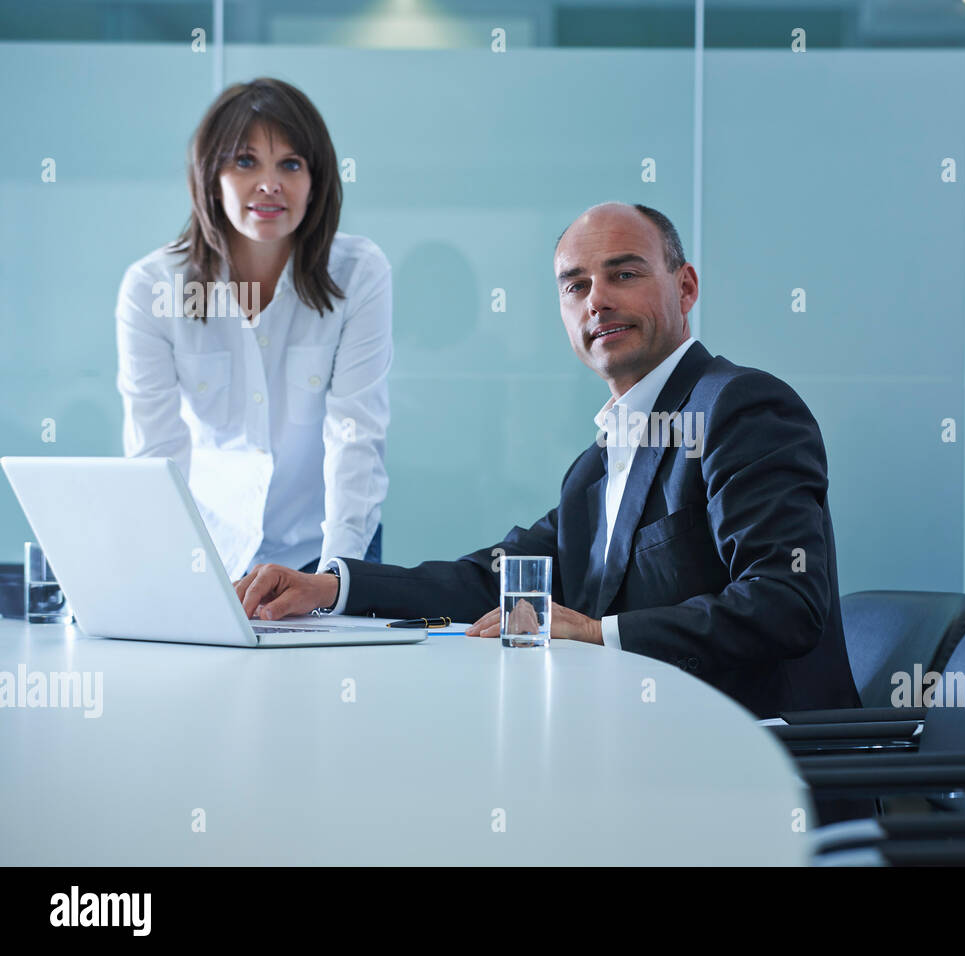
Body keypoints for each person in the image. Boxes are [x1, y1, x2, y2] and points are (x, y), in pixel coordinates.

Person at [235, 202, 858, 718]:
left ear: (686, 287)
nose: (597, 300)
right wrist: (329, 586)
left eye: (625, 274)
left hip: (756, 765)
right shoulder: (597, 466)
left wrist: (596, 632)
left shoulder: (739, 408)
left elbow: (785, 602)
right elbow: (494, 578)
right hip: (635, 752)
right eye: (575, 285)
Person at [115, 78, 391, 579]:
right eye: (245, 162)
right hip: (207, 550)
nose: (269, 183)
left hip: (324, 542)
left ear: (316, 180)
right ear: (210, 176)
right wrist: (170, 572)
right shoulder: (152, 287)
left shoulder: (358, 272)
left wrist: (333, 579)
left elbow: (356, 436)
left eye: (290, 164)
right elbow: (156, 457)